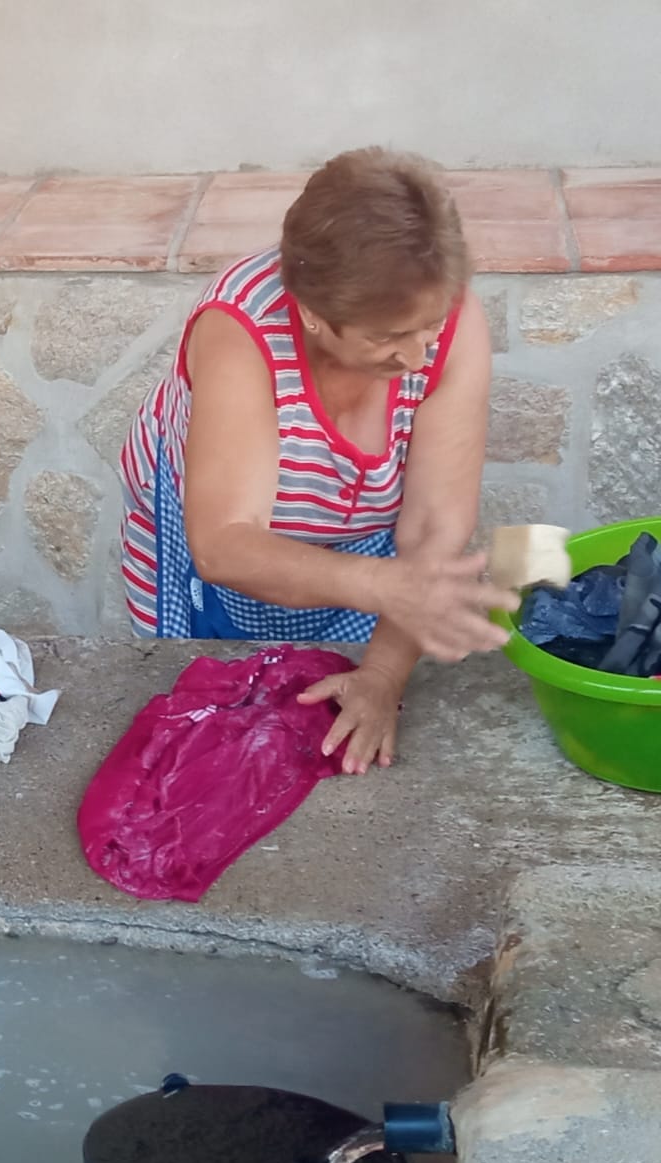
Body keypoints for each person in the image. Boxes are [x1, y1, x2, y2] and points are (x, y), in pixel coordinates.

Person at [118, 147, 519, 776]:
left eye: (429, 329)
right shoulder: (242, 330)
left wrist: (382, 676)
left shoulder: (446, 322)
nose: (416, 358)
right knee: (213, 739)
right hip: (216, 555)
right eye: (387, 338)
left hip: (362, 553)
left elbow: (434, 529)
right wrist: (387, 585)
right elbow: (223, 544)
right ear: (312, 315)